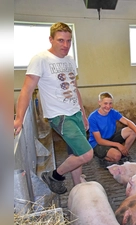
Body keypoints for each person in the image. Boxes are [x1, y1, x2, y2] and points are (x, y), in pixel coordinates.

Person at [14, 22, 93, 194]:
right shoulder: (40, 59)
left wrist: (83, 113)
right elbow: (27, 89)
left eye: (69, 41)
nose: (65, 45)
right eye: (60, 40)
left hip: (76, 113)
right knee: (87, 154)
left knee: (76, 153)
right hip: (60, 116)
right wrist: (19, 118)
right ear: (51, 39)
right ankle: (54, 176)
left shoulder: (70, 60)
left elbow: (74, 88)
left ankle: (78, 189)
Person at [88, 92, 136, 167]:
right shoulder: (93, 117)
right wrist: (118, 145)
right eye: (105, 103)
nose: (108, 106)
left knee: (132, 131)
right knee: (116, 156)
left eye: (110, 103)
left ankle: (123, 154)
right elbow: (99, 140)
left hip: (110, 138)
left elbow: (128, 122)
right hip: (97, 143)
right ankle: (103, 158)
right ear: (99, 103)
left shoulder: (112, 112)